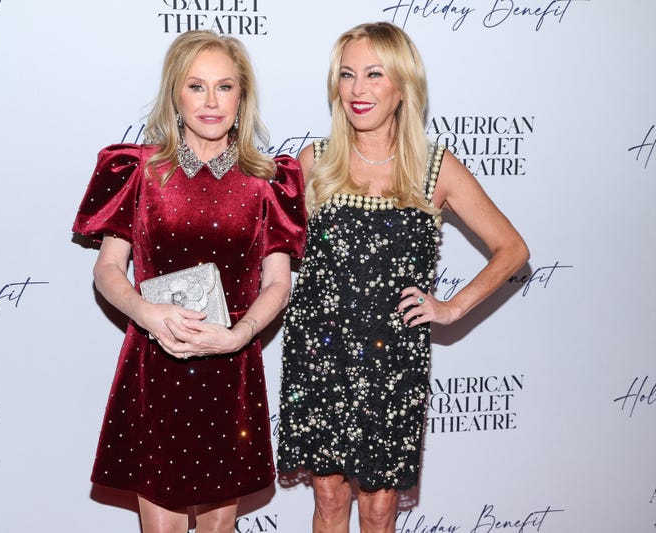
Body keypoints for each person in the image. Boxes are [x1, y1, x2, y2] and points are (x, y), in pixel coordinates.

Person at [277, 22, 529, 533]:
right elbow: (265, 249)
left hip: (392, 359)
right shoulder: (316, 162)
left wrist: (452, 307)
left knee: (378, 507)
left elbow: (513, 250)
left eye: (374, 74)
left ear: (402, 84)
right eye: (347, 75)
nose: (357, 89)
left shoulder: (436, 169)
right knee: (328, 501)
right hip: (319, 353)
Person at [72, 30, 306, 532]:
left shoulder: (270, 181)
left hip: (230, 367)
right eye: (196, 86)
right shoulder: (138, 172)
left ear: (242, 96)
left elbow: (277, 283)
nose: (211, 101)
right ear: (175, 93)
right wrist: (147, 314)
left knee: (220, 527)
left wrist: (239, 335)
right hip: (155, 365)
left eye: (224, 87)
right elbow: (107, 269)